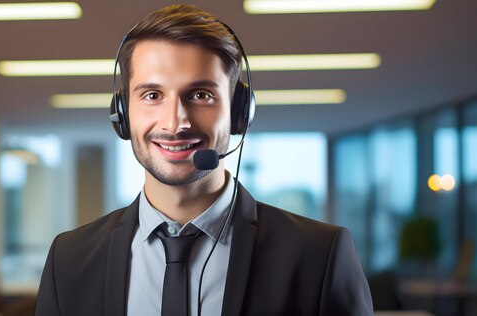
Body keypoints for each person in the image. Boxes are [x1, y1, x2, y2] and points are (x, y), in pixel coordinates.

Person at [36, 4, 373, 316]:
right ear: (122, 113)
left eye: (201, 95)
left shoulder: (318, 255)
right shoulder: (69, 260)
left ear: (239, 112)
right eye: (152, 95)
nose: (175, 122)